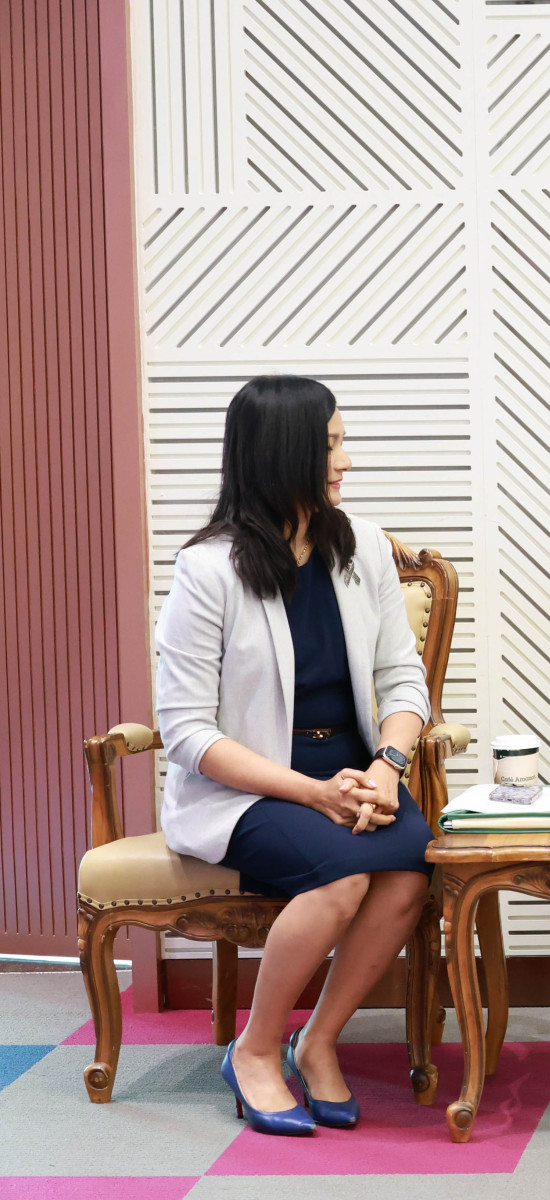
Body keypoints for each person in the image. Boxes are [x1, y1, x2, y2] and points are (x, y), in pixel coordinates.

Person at [155, 376, 435, 1137]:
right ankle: (254, 1050)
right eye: (332, 444)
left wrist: (387, 767)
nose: (346, 460)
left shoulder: (362, 547)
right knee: (342, 874)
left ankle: (318, 1042)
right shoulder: (208, 569)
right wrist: (312, 793)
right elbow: (187, 733)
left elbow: (402, 679)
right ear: (286, 454)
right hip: (248, 788)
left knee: (410, 867)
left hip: (356, 770)